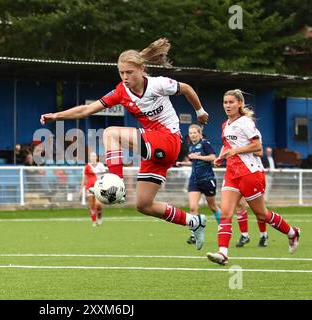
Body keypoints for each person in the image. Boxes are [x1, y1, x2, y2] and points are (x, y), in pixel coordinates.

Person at [41, 37, 209, 250]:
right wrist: (55, 116)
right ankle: (193, 222)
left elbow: (186, 88)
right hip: (154, 148)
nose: (125, 77)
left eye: (129, 72)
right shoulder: (121, 91)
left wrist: (200, 112)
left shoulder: (157, 84)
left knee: (111, 132)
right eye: (121, 73)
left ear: (142, 69)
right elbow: (86, 110)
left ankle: (115, 182)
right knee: (144, 205)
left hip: (168, 140)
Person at [207, 89, 300, 265]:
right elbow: (227, 146)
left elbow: (258, 148)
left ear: (239, 104)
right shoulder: (225, 125)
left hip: (250, 173)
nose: (227, 105)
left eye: (231, 102)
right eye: (225, 102)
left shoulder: (245, 122)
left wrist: (235, 151)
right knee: (226, 212)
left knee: (262, 214)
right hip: (232, 174)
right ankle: (223, 253)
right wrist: (221, 157)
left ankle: (292, 233)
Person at [176, 124, 221, 245]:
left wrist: (197, 156)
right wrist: (183, 163)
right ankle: (193, 235)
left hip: (207, 179)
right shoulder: (191, 147)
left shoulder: (205, 144)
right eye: (190, 133)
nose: (192, 135)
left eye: (194, 133)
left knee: (213, 207)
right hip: (194, 180)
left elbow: (212, 157)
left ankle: (224, 228)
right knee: (192, 208)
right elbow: (195, 163)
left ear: (199, 133)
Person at [80, 152, 108, 227]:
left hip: (98, 187)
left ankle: (99, 217)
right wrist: (82, 187)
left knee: (98, 204)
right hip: (90, 187)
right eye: (91, 156)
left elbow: (104, 176)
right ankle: (94, 221)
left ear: (96, 157)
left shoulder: (101, 165)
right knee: (91, 205)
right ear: (90, 158)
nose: (93, 157)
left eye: (94, 156)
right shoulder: (87, 166)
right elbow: (84, 178)